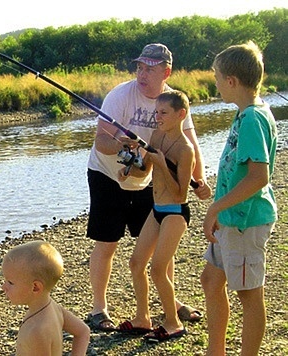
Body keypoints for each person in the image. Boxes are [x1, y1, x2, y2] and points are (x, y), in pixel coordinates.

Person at [85, 43, 211, 331]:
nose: (142, 74)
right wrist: (122, 145)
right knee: (107, 242)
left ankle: (172, 304)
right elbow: (100, 142)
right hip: (106, 174)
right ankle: (99, 309)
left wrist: (199, 180)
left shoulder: (174, 102)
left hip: (151, 178)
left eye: (150, 69)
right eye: (139, 67)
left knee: (158, 246)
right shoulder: (120, 95)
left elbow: (190, 144)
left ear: (166, 72)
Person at [200, 41, 278, 355]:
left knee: (248, 296)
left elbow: (259, 177)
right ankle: (215, 350)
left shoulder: (253, 119)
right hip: (231, 220)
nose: (215, 84)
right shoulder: (245, 114)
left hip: (245, 222)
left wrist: (215, 207)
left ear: (231, 81)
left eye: (217, 78)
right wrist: (221, 211)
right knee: (210, 281)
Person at [116, 90, 194, 342]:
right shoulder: (156, 136)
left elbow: (181, 194)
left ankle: (173, 323)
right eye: (156, 112)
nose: (157, 117)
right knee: (136, 264)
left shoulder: (185, 149)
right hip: (157, 209)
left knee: (159, 270)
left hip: (175, 213)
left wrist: (162, 163)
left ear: (180, 115)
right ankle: (143, 319)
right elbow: (145, 172)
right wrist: (130, 169)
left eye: (163, 113)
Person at [1, 240, 90, 356]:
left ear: (35, 287)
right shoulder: (54, 308)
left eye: (10, 282)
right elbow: (83, 331)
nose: (3, 287)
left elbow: (83, 332)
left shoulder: (37, 331)